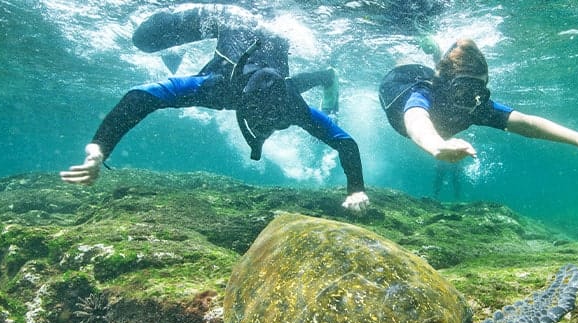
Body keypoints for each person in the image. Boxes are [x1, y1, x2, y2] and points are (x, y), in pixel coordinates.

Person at [61, 5, 370, 212]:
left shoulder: (292, 103)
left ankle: (328, 77)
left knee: (300, 65)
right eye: (267, 121)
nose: (268, 125)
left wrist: (356, 189)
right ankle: (172, 53)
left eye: (275, 121)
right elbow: (140, 97)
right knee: (142, 40)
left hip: (265, 45)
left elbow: (346, 143)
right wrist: (98, 150)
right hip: (233, 31)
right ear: (243, 106)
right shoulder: (220, 88)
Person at [379, 38, 578, 167]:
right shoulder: (425, 94)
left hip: (437, 74)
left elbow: (528, 124)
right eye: (464, 91)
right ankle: (415, 50)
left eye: (479, 90)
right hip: (401, 78)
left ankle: (436, 51)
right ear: (445, 85)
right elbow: (415, 120)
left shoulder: (477, 105)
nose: (472, 101)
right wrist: (436, 146)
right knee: (403, 61)